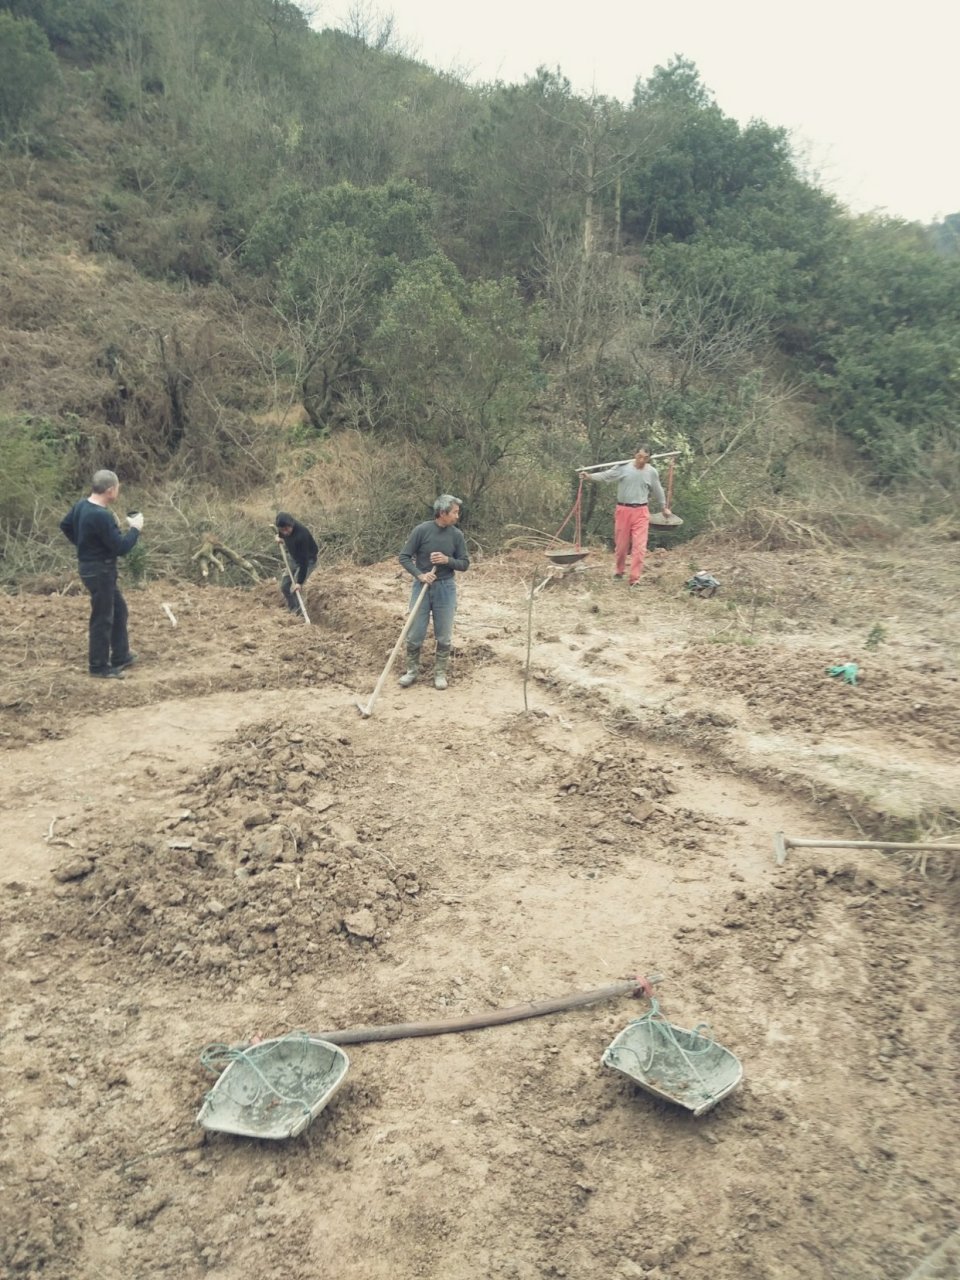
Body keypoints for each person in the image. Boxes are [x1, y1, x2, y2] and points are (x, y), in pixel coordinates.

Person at [60, 469, 143, 679]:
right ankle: (98, 667)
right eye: (117, 489)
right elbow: (121, 548)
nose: (118, 492)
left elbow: (66, 525)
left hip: (91, 567)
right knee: (103, 617)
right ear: (110, 490)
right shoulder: (101, 516)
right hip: (100, 571)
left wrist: (84, 545)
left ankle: (121, 656)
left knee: (119, 610)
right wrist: (135, 529)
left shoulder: (82, 505)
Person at [398, 495, 470, 690]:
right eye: (454, 512)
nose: (457, 516)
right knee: (415, 633)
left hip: (445, 588)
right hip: (421, 586)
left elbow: (464, 564)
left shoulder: (456, 535)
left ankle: (440, 673)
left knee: (444, 635)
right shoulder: (421, 531)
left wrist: (447, 560)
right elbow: (404, 557)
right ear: (442, 513)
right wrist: (420, 575)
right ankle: (411, 671)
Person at [579, 446, 671, 587]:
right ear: (635, 455)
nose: (641, 460)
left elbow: (658, 489)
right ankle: (619, 570)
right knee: (621, 546)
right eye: (639, 456)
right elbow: (606, 475)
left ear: (649, 459)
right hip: (623, 510)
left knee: (639, 547)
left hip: (641, 511)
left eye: (645, 458)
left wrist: (663, 507)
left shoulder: (651, 472)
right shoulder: (623, 468)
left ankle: (635, 578)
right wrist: (589, 476)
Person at [275, 512, 318, 613]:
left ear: (291, 524)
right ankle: (293, 608)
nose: (285, 532)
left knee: (295, 590)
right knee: (285, 587)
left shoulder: (301, 535)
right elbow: (281, 532)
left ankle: (300, 615)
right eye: (282, 530)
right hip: (293, 558)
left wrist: (299, 582)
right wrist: (280, 537)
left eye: (286, 529)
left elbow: (304, 562)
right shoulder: (283, 526)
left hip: (307, 561)